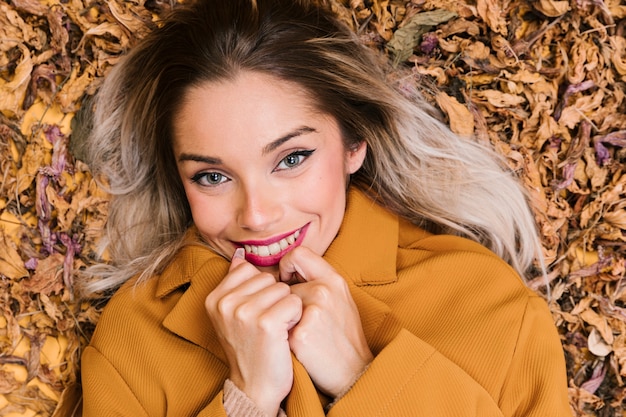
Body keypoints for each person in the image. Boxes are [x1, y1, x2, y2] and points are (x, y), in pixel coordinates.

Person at [58, 0, 572, 415]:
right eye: (212, 176)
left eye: (292, 159)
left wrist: (361, 374)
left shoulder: (490, 307)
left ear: (354, 144)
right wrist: (247, 401)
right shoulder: (133, 340)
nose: (257, 215)